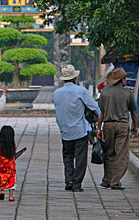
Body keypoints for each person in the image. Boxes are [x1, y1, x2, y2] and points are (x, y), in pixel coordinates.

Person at [53, 64, 100, 192]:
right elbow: (94, 107)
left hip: (65, 130)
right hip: (80, 130)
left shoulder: (57, 93)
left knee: (68, 156)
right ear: (74, 78)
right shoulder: (81, 91)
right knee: (80, 158)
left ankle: (69, 180)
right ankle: (77, 183)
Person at [97, 67, 138, 190]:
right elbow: (134, 112)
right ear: (122, 80)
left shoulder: (105, 92)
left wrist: (99, 129)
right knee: (121, 154)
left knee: (109, 152)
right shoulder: (127, 93)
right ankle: (115, 181)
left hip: (108, 125)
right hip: (122, 125)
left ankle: (107, 179)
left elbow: (102, 112)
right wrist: (135, 126)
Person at [0, 125, 17, 202]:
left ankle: (2, 191)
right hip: (10, 165)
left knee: (1, 176)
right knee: (11, 177)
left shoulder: (0, 145)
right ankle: (11, 196)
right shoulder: (11, 146)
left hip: (1, 163)